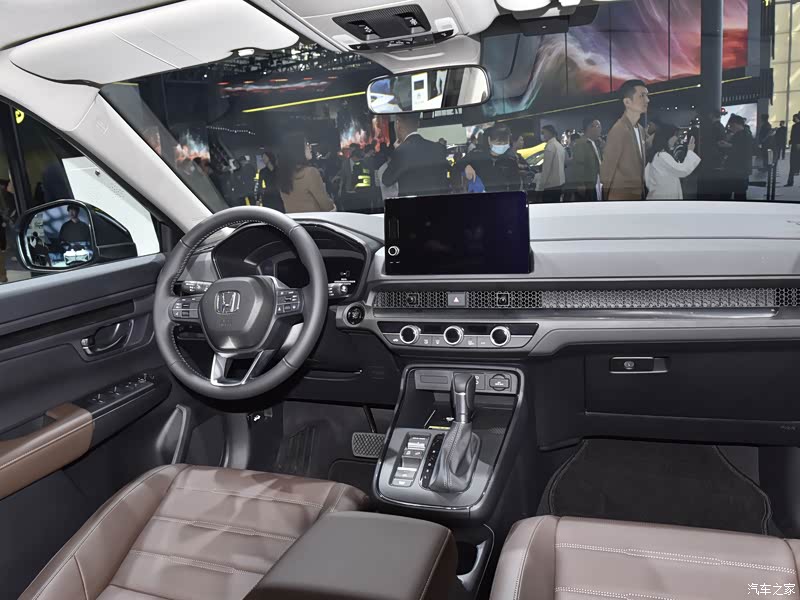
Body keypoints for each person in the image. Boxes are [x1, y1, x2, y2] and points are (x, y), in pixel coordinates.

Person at [600, 79, 650, 200]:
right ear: (627, 102)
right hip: (621, 197)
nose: (647, 100)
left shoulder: (640, 129)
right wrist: (606, 198)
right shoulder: (619, 130)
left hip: (637, 195)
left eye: (647, 95)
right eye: (642, 96)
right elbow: (607, 169)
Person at [381, 113, 449, 197]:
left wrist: (396, 152)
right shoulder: (438, 149)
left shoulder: (400, 152)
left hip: (411, 203)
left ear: (398, 125)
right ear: (418, 124)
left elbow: (386, 180)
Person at [277, 132, 336, 213]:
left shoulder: (283, 176)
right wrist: (333, 206)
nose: (310, 147)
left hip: (292, 220)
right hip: (314, 220)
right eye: (307, 144)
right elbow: (327, 206)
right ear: (298, 150)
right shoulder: (310, 173)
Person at [458, 124, 523, 193]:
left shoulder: (510, 161)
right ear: (489, 141)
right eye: (499, 143)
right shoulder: (477, 156)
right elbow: (458, 165)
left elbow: (516, 185)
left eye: (505, 143)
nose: (502, 146)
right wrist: (467, 166)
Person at [644, 124, 701, 200]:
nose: (677, 139)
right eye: (676, 135)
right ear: (667, 137)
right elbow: (682, 170)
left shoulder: (657, 155)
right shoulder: (662, 156)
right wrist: (690, 151)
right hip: (665, 198)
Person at [567, 117, 603, 202]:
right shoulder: (581, 143)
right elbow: (578, 164)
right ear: (590, 127)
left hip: (595, 182)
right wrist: (580, 184)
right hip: (587, 185)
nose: (600, 129)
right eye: (598, 126)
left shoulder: (594, 143)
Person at [720, 114, 754, 200]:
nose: (730, 128)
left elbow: (743, 151)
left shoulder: (743, 135)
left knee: (735, 194)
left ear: (736, 124)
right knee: (740, 194)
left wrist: (729, 145)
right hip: (741, 170)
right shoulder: (746, 133)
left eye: (731, 126)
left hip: (737, 170)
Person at [535, 125, 566, 203]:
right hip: (560, 182)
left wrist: (541, 186)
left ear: (549, 133)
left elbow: (546, 168)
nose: (542, 135)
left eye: (543, 133)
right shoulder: (559, 145)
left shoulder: (550, 146)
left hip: (550, 185)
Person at [787, 114, 800, 186]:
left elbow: (793, 136)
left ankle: (790, 182)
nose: (793, 119)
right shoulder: (794, 126)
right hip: (795, 146)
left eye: (794, 118)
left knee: (792, 164)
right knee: (793, 164)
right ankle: (790, 181)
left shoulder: (795, 126)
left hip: (796, 146)